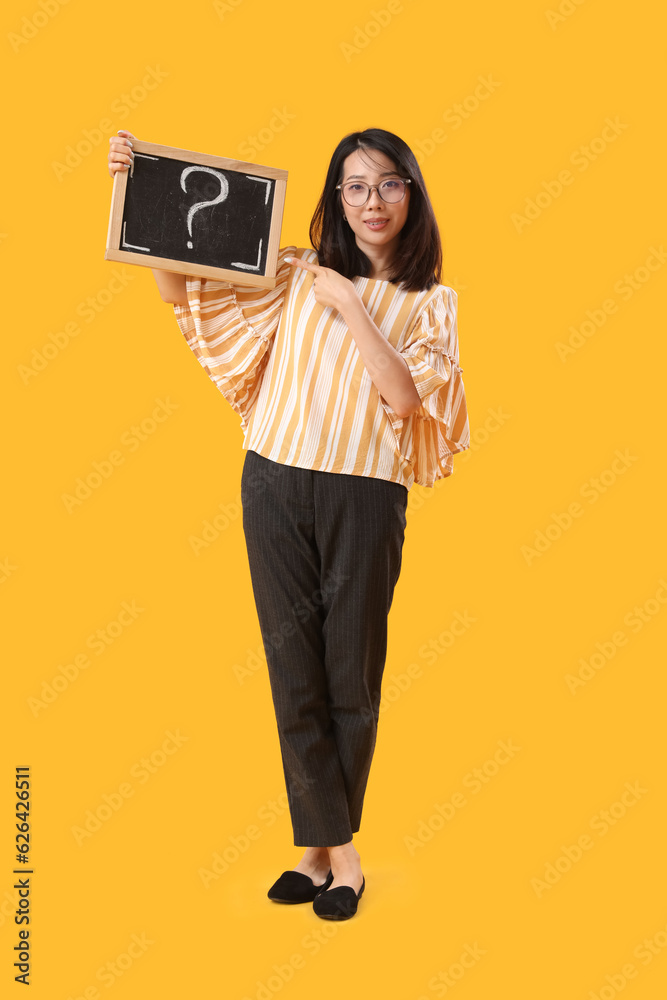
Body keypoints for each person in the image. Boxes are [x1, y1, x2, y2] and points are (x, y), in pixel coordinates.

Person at [107, 126, 470, 919]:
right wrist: (145, 187)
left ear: (411, 194)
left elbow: (404, 399)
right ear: (335, 198)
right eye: (354, 186)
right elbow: (179, 290)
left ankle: (326, 849)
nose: (371, 201)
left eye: (388, 184)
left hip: (364, 497)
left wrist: (348, 303)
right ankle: (335, 856)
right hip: (272, 482)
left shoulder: (429, 302)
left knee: (351, 677)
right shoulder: (295, 271)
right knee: (292, 672)